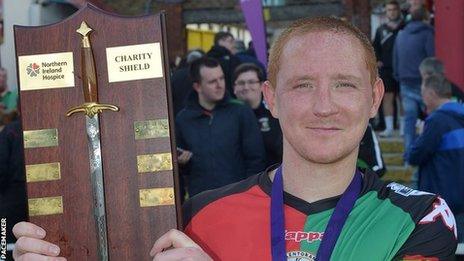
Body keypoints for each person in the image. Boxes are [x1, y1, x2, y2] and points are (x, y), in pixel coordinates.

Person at [13, 17, 457, 261]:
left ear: (375, 97)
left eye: (345, 84)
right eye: (302, 85)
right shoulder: (199, 216)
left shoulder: (420, 217)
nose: (324, 106)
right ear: (271, 98)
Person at [175, 57, 266, 197]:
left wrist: (249, 194)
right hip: (201, 201)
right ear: (197, 87)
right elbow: (181, 171)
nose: (220, 85)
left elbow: (256, 159)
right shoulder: (183, 119)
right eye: (212, 81)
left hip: (238, 198)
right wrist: (182, 162)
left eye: (222, 78)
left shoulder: (241, 111)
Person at [406, 74, 464, 243]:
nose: (422, 98)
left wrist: (420, 133)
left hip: (444, 203)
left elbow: (415, 156)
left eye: (423, 93)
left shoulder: (436, 121)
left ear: (431, 94)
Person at [393, 6, 434, 161]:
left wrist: (398, 75)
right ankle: (425, 153)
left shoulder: (401, 34)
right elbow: (431, 57)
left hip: (404, 80)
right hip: (423, 82)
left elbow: (395, 57)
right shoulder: (428, 33)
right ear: (425, 18)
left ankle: (408, 157)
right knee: (429, 119)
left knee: (409, 120)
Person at [233, 63, 282, 167]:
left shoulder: (275, 114)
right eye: (241, 83)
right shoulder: (227, 118)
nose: (246, 87)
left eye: (251, 82)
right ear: (234, 88)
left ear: (261, 86)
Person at [373, 0, 404, 137]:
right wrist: (377, 60)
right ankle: (389, 128)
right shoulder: (381, 30)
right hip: (386, 69)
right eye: (389, 10)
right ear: (386, 13)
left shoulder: (405, 27)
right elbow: (375, 49)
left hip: (403, 67)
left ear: (399, 11)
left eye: (394, 9)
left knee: (402, 97)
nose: (392, 12)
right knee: (387, 98)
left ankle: (403, 127)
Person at [206, 32, 242, 96]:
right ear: (220, 41)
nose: (233, 45)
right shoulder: (232, 59)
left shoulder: (206, 57)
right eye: (230, 41)